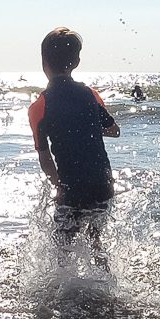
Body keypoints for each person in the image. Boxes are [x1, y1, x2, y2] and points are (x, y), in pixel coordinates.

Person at [28, 27, 120, 244]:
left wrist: (58, 186)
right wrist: (89, 128)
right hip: (103, 184)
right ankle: (106, 277)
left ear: (43, 63)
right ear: (76, 62)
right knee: (95, 242)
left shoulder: (40, 106)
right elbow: (115, 131)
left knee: (61, 246)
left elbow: (44, 157)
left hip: (72, 187)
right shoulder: (91, 95)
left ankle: (62, 279)